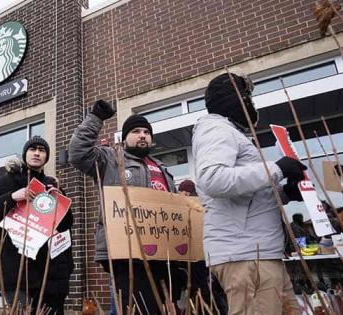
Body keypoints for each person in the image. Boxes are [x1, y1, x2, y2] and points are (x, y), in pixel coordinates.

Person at [192, 73, 307, 314]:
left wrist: (286, 193)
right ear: (233, 98)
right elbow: (214, 180)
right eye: (246, 96)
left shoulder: (231, 133)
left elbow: (248, 196)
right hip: (245, 256)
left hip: (260, 253)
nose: (251, 103)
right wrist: (277, 169)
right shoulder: (216, 128)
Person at [68, 100, 180, 314]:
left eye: (147, 132)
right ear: (125, 137)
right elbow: (77, 153)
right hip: (126, 253)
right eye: (136, 131)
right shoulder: (110, 159)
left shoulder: (162, 168)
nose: (142, 135)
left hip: (163, 255)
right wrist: (95, 118)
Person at [0, 136, 73, 315]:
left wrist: (59, 202)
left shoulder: (51, 184)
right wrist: (12, 197)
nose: (37, 153)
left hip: (50, 276)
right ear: (25, 153)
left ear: (47, 157)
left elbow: (66, 227)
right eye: (33, 149)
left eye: (42, 150)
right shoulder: (8, 181)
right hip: (18, 274)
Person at [177, 179, 228, 315]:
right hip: (191, 265)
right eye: (180, 193)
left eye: (186, 193)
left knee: (207, 293)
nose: (183, 196)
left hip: (203, 262)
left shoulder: (200, 209)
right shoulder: (180, 210)